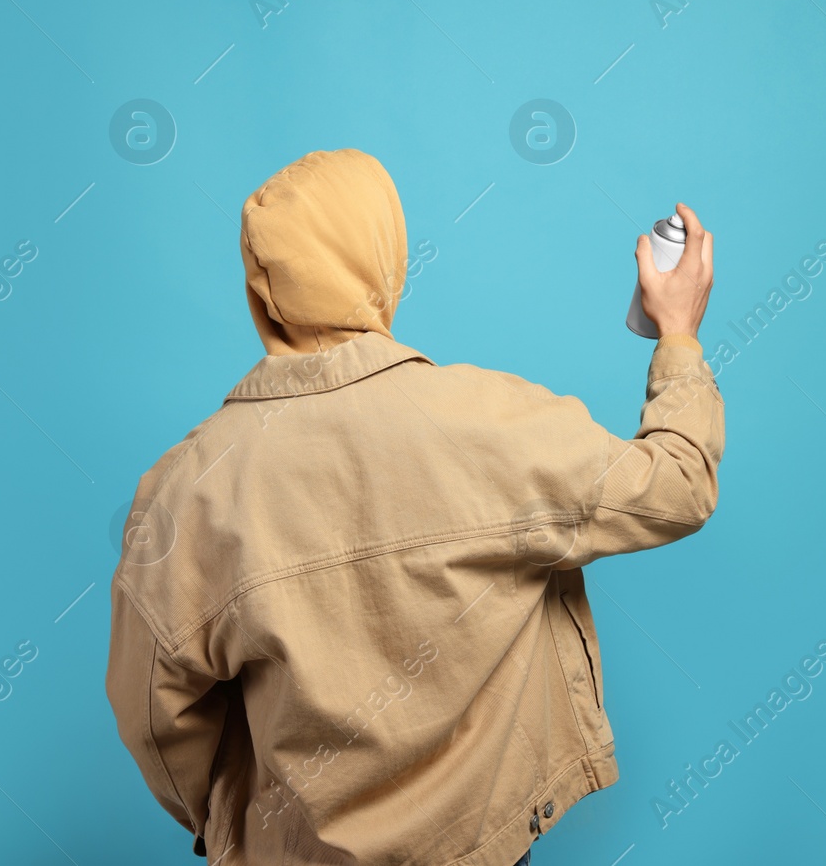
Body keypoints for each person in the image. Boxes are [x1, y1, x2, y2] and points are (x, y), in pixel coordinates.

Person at [106, 148, 723, 865]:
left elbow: (151, 713)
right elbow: (678, 481)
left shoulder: (188, 487)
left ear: (261, 287)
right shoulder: (486, 422)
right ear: (383, 258)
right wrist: (678, 334)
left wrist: (231, 818)